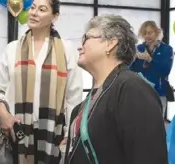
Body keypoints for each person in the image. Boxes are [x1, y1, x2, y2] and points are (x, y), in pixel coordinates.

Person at [0, 0, 83, 164]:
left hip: (53, 132)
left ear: (55, 16)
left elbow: (74, 98)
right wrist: (3, 115)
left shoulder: (66, 50)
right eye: (32, 7)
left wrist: (70, 133)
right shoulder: (13, 49)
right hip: (16, 130)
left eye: (42, 9)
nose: (33, 13)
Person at [64, 15, 168, 164]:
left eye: (86, 38)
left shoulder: (132, 89)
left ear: (110, 44)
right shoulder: (89, 101)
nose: (80, 46)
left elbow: (148, 157)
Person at [130, 20, 174, 116]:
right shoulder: (138, 48)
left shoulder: (167, 49)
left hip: (158, 92)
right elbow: (129, 71)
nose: (147, 36)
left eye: (150, 33)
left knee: (157, 124)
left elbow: (165, 71)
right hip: (140, 92)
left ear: (157, 32)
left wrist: (151, 60)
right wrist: (132, 60)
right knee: (139, 123)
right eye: (144, 33)